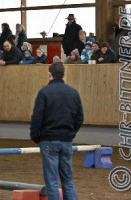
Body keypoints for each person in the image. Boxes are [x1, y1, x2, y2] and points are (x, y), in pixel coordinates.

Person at [30, 62, 83, 200]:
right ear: (63, 74)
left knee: (52, 181)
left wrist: (35, 136)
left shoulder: (44, 92)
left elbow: (37, 117)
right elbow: (79, 118)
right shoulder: (73, 93)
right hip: (66, 140)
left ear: (49, 74)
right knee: (68, 180)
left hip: (48, 139)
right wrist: (71, 133)